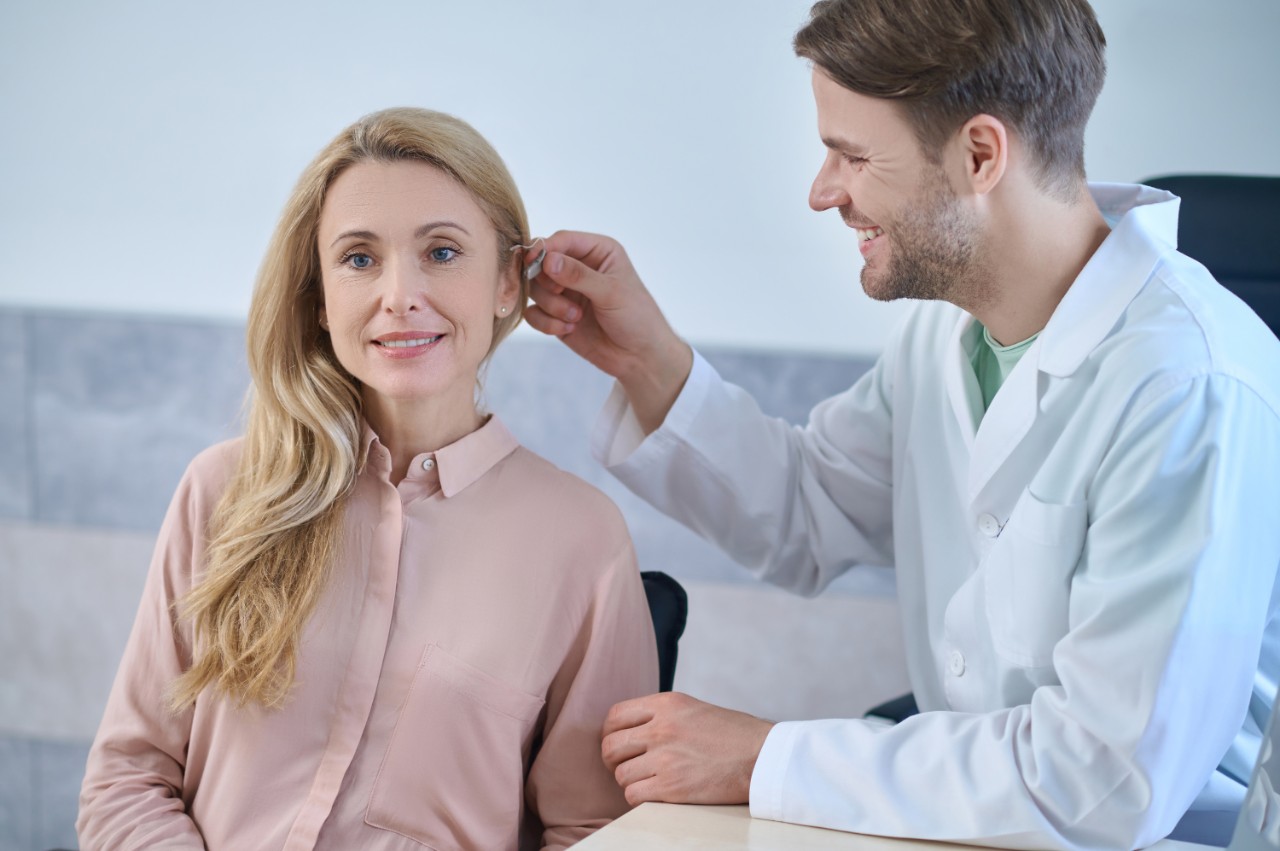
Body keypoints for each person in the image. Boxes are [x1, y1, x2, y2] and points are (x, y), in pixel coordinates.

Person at [522, 0, 1280, 847]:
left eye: (851, 155)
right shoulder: (944, 329)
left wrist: (765, 755)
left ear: (980, 154)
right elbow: (812, 509)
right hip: (959, 815)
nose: (822, 191)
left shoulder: (1186, 383)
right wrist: (645, 357)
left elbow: (1103, 780)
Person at [77, 107, 659, 851]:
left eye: (442, 252)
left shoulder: (582, 539)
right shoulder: (222, 492)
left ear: (508, 283)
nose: (399, 295)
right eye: (359, 258)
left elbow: (593, 832)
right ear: (321, 299)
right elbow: (129, 776)